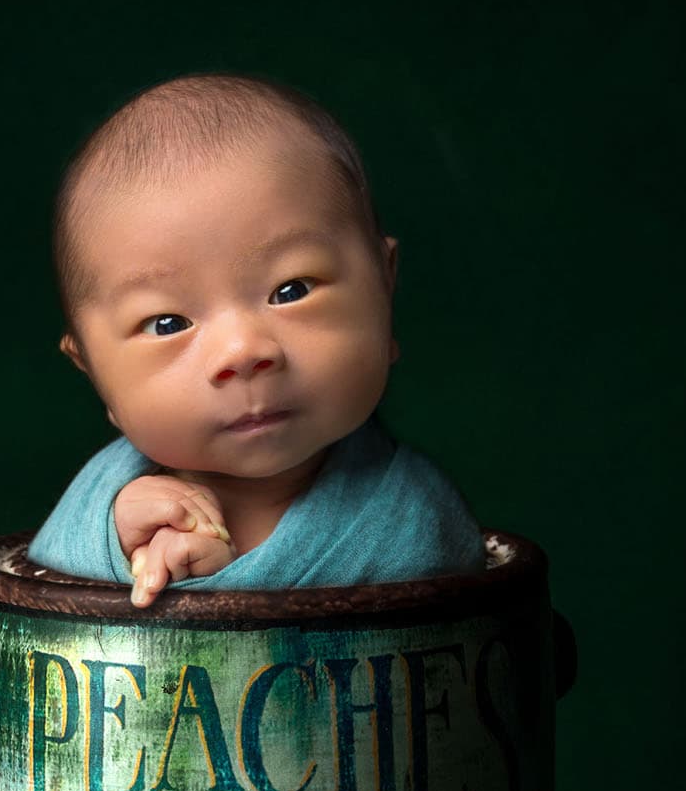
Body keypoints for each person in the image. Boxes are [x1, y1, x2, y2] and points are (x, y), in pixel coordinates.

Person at [26, 73, 486, 607]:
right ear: (94, 373)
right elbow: (36, 591)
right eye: (168, 324)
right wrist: (115, 542)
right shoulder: (105, 506)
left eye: (290, 290)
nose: (243, 352)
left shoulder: (410, 516)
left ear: (385, 285)